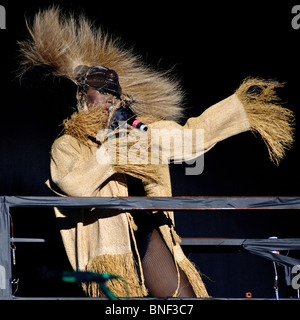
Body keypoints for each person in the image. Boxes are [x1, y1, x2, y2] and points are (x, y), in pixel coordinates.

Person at [18, 7, 294, 298]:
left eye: (114, 97)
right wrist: (111, 150)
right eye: (101, 97)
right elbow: (74, 186)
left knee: (184, 301)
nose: (108, 104)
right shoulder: (68, 145)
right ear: (83, 100)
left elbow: (188, 140)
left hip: (148, 230)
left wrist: (242, 112)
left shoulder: (139, 133)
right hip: (111, 248)